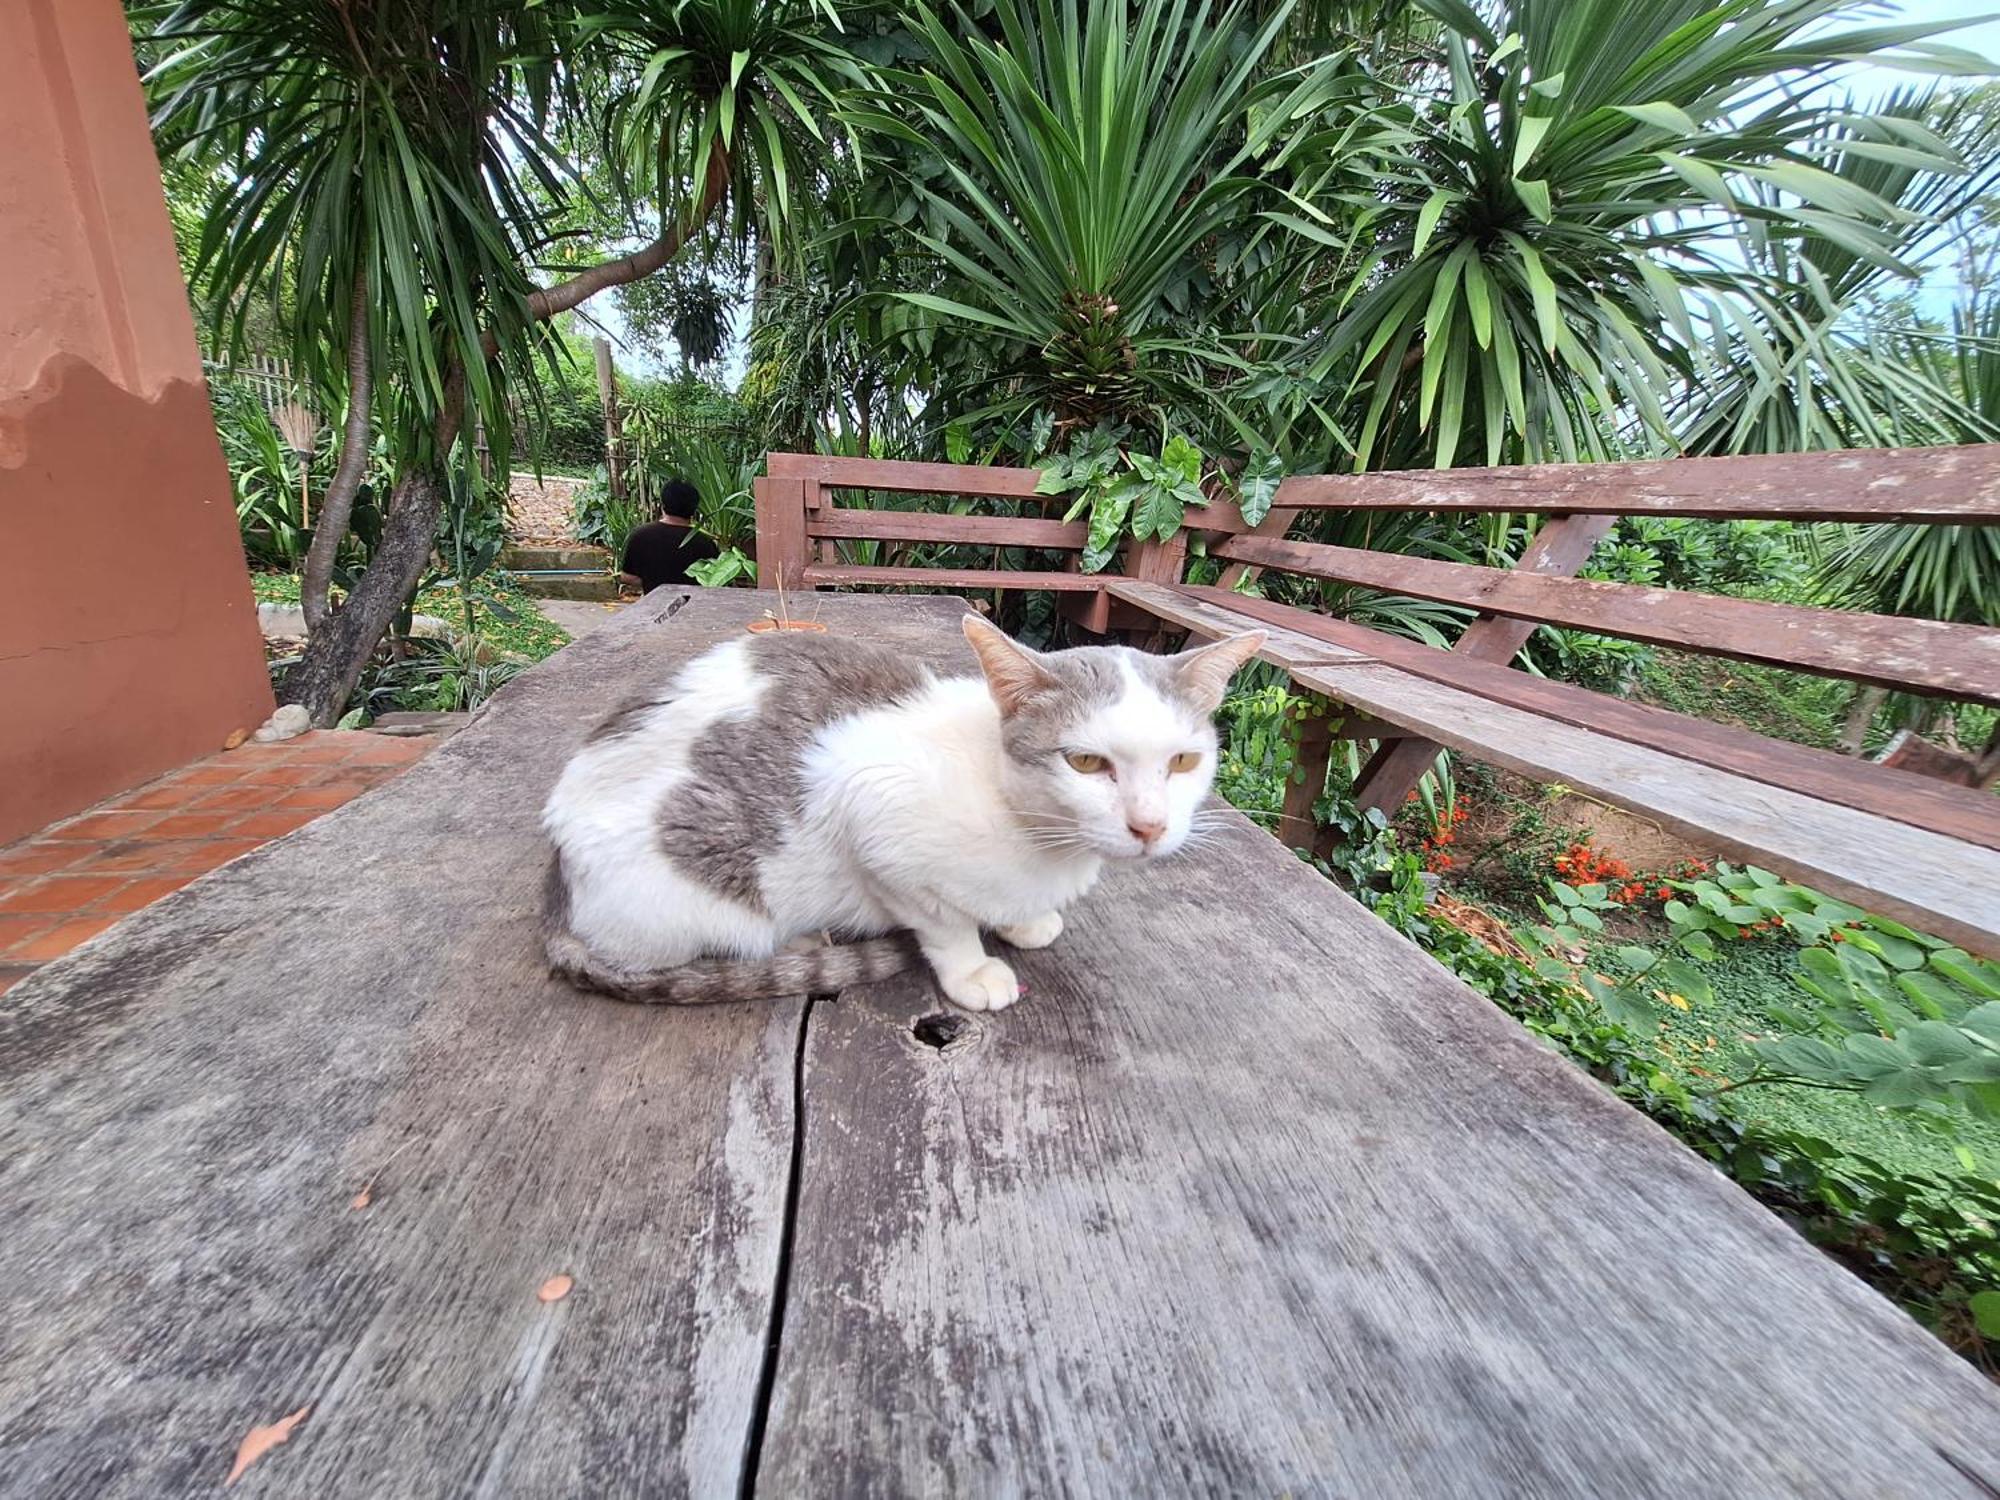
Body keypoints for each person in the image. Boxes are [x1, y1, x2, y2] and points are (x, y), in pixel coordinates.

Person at [619, 477, 719, 593]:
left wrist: (652, 581)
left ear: (663, 504)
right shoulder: (705, 542)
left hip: (654, 606)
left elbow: (627, 577)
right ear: (694, 508)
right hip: (693, 606)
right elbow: (714, 579)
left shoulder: (641, 535)